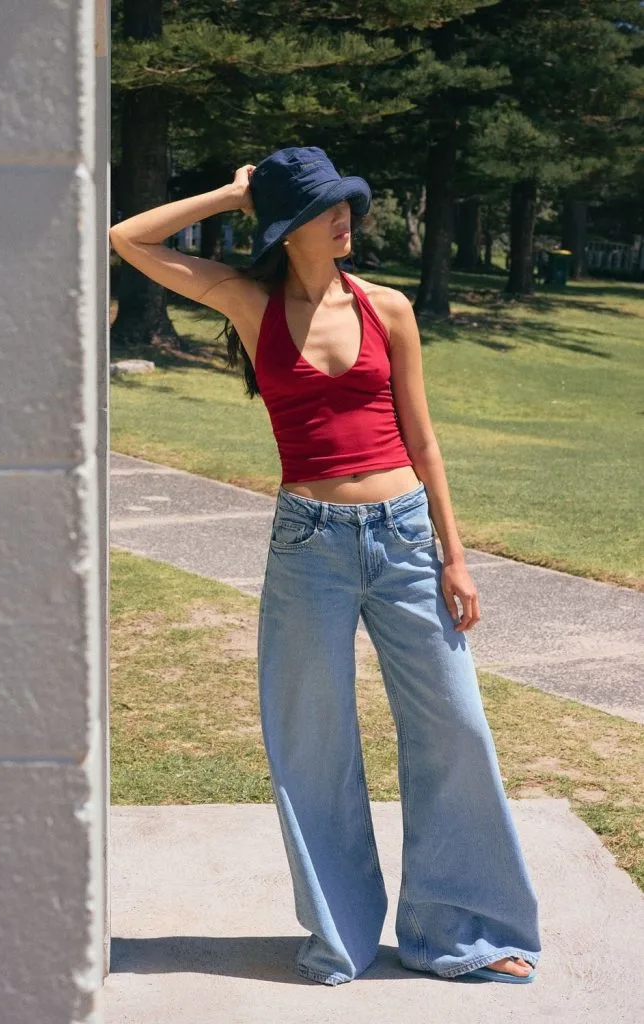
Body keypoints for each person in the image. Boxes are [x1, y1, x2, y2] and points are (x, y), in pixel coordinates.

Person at [109, 146, 541, 987]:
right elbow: (129, 238)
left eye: (347, 202)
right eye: (324, 207)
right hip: (309, 546)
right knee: (312, 741)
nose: (346, 216)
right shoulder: (248, 303)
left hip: (405, 539)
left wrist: (456, 557)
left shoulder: (389, 307)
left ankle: (461, 934)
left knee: (455, 727)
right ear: (284, 227)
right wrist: (232, 193)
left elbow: (423, 440)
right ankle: (341, 938)